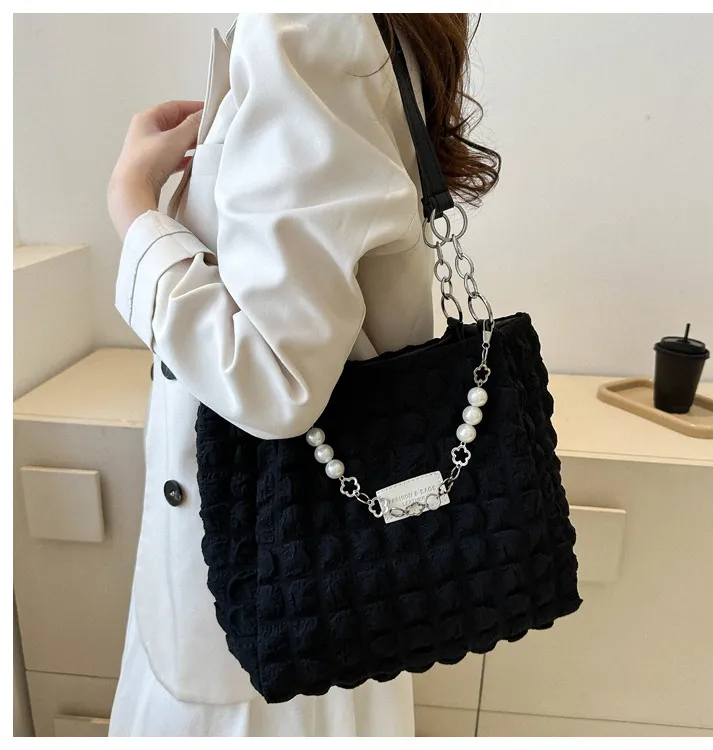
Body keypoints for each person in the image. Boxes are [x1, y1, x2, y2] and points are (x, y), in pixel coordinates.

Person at [105, 12, 499, 737]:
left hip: (273, 587)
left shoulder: (305, 27)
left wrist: (133, 206)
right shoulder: (338, 26)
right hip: (329, 565)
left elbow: (274, 380)